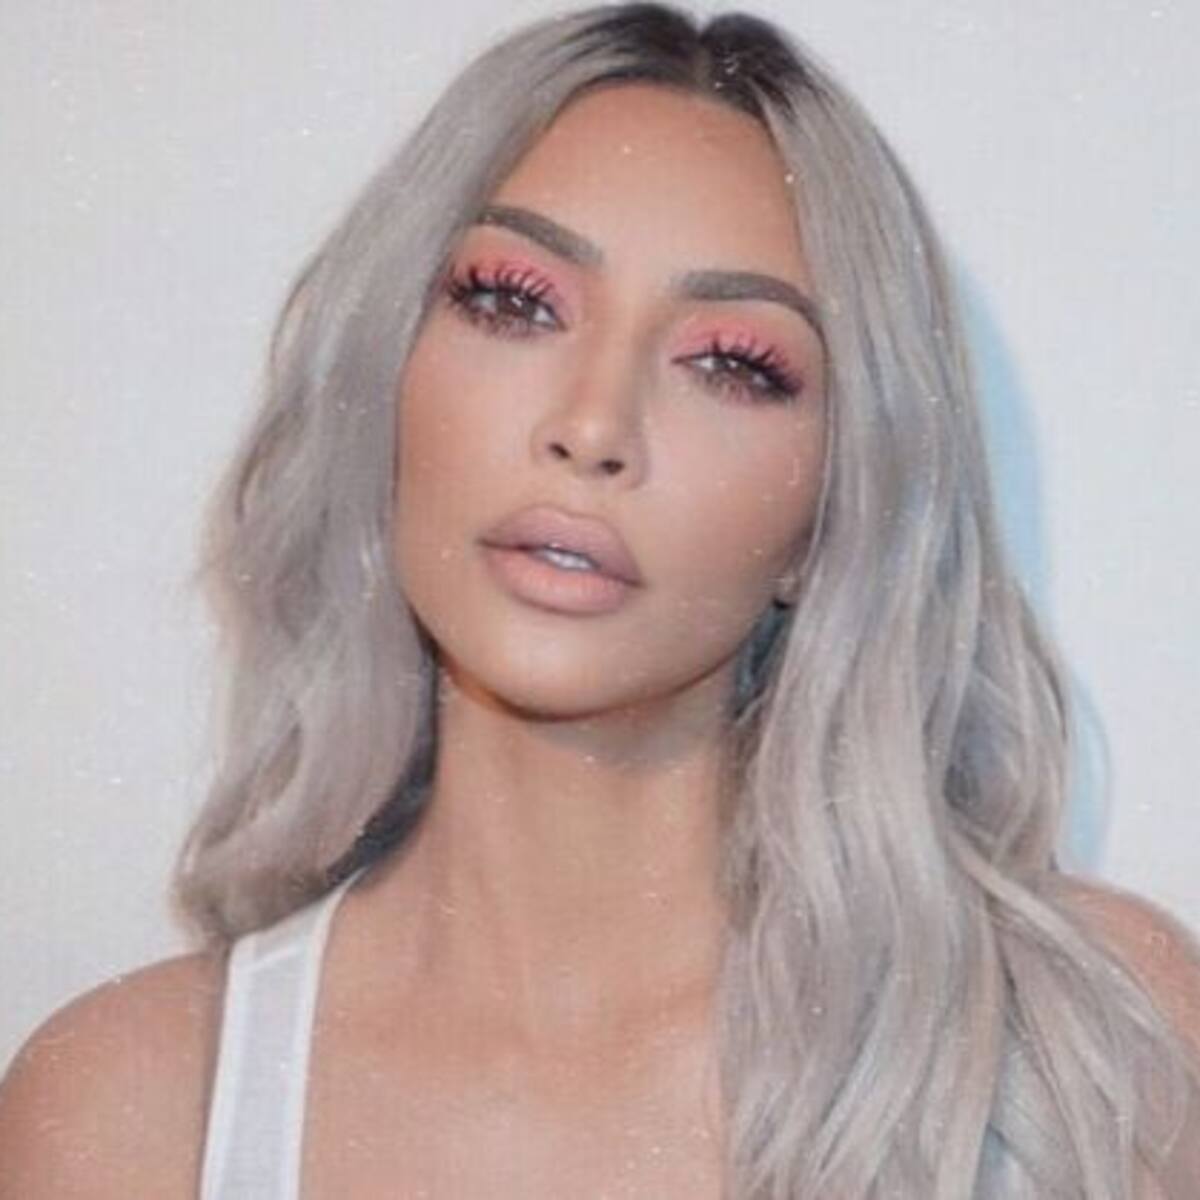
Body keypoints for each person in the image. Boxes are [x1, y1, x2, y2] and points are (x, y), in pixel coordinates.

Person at [1, 3, 1198, 1196]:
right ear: (385, 379)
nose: (591, 425)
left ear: (832, 513)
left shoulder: (1091, 1052)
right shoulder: (125, 1115)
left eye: (732, 364)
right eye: (514, 302)